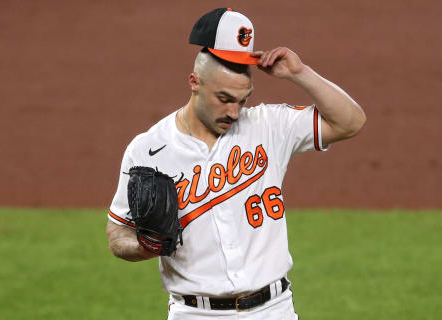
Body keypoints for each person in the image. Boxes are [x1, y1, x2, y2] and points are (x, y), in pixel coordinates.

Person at [106, 8, 366, 320]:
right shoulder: (148, 149)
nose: (234, 112)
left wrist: (300, 73)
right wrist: (144, 246)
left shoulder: (268, 125)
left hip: (274, 310)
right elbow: (117, 233)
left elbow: (350, 122)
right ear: (194, 82)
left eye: (242, 101)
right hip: (194, 313)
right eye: (224, 99)